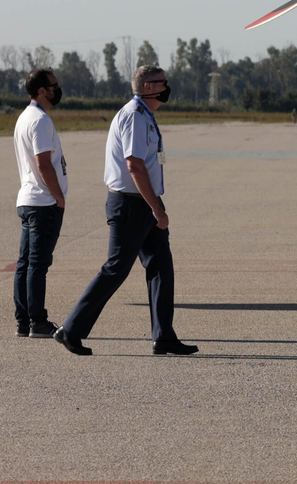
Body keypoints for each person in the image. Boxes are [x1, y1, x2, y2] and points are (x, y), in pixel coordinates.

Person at [55, 66, 197, 357]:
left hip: (144, 202)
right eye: (162, 83)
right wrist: (156, 207)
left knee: (160, 267)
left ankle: (164, 336)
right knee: (116, 268)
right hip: (132, 204)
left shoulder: (145, 115)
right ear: (147, 87)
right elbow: (134, 165)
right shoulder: (134, 116)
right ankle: (71, 329)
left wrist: (155, 204)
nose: (167, 87)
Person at [13, 67, 66, 339]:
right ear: (42, 90)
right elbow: (44, 165)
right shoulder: (40, 121)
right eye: (54, 86)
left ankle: (23, 320)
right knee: (37, 265)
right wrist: (58, 196)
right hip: (42, 202)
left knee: (24, 264)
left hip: (27, 198)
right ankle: (38, 322)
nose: (58, 90)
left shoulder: (24, 117)